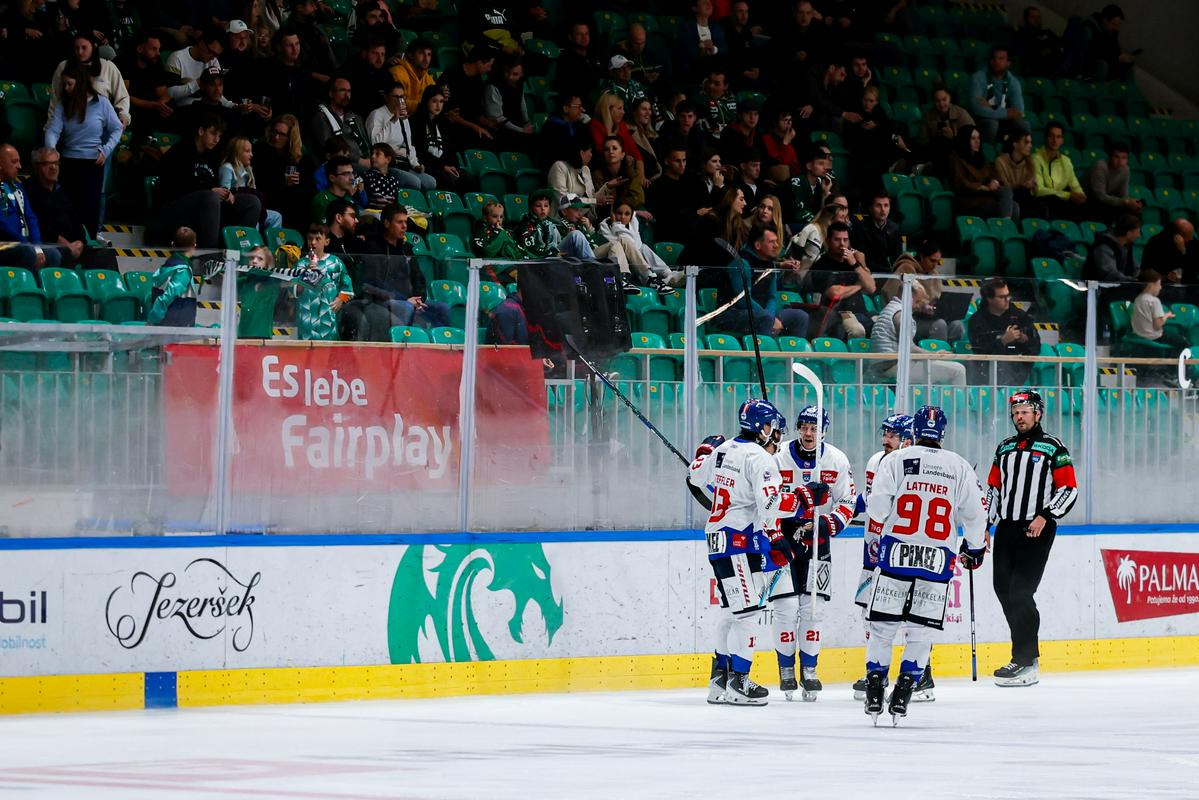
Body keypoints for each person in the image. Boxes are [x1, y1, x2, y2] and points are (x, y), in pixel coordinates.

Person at [687, 398, 826, 705]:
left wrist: (703, 453)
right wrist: (804, 497)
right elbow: (770, 505)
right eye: (773, 427)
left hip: (717, 538)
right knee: (748, 614)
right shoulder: (760, 459)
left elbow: (695, 475)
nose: (775, 433)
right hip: (739, 541)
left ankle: (719, 680)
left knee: (730, 611)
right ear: (763, 427)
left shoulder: (723, 450)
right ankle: (740, 681)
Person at [863, 405, 987, 724]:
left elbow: (876, 510)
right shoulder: (958, 465)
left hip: (896, 555)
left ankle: (875, 688)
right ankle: (904, 692)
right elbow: (975, 513)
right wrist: (974, 547)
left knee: (882, 628)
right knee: (920, 633)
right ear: (942, 434)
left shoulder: (894, 460)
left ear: (913, 431)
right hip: (937, 559)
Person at [986, 390, 1078, 687]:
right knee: (1003, 590)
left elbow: (1068, 489)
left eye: (1025, 411)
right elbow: (993, 490)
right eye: (1015, 413)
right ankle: (1023, 655)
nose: (1019, 417)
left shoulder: (1053, 447)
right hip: (1007, 528)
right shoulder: (1004, 448)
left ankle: (1025, 659)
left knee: (1021, 592)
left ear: (1038, 413)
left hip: (1036, 527)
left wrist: (1046, 515)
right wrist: (984, 527)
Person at [770, 404, 855, 700]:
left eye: (814, 427)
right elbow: (765, 497)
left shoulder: (837, 459)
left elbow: (848, 500)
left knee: (813, 609)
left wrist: (830, 524)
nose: (808, 432)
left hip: (819, 540)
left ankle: (809, 669)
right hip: (780, 538)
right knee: (785, 608)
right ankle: (785, 669)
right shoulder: (777, 456)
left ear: (824, 430)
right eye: (804, 426)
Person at [851, 415, 928, 703]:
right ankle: (876, 673)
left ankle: (922, 676)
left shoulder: (917, 466)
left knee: (913, 617)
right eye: (885, 432)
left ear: (908, 439)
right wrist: (840, 510)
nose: (886, 439)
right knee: (871, 614)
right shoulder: (876, 461)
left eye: (893, 435)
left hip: (902, 554)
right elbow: (868, 499)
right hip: (873, 551)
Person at [155, 113, 261, 248]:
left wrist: (226, 194)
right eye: (213, 134)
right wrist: (210, 191)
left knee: (251, 202)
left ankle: (237, 249)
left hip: (208, 206)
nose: (216, 139)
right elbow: (174, 187)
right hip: (174, 205)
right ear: (201, 131)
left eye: (219, 136)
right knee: (210, 197)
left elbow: (214, 186)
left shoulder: (212, 157)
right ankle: (210, 254)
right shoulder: (179, 152)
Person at [43, 63, 122, 239]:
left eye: (70, 84)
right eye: (64, 84)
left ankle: (88, 247)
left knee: (88, 211)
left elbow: (117, 128)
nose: (66, 88)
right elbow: (53, 129)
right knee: (67, 208)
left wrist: (106, 150)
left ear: (80, 83)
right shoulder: (64, 104)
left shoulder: (102, 103)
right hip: (68, 161)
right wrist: (51, 151)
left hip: (93, 162)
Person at [350, 203, 449, 339]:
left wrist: (419, 299)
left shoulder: (406, 249)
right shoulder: (374, 248)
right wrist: (405, 300)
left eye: (405, 222)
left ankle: (442, 352)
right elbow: (375, 283)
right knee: (406, 308)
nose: (404, 226)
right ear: (386, 223)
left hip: (409, 301)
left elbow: (419, 279)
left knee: (442, 308)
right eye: (399, 222)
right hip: (382, 301)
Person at [716, 226, 810, 337]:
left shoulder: (770, 265)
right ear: (758, 245)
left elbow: (772, 297)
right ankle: (765, 353)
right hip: (732, 314)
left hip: (762, 314)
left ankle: (795, 354)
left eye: (776, 241)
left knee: (801, 317)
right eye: (771, 242)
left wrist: (771, 316)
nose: (776, 246)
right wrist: (769, 318)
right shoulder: (741, 264)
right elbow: (743, 300)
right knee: (765, 319)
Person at [870, 282, 968, 386]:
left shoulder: (892, 308)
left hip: (887, 365)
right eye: (917, 301)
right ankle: (959, 402)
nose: (918, 306)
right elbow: (909, 348)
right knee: (958, 370)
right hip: (893, 367)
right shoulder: (901, 314)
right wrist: (934, 355)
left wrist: (932, 355)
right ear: (907, 296)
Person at [882, 238, 964, 342]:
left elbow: (938, 298)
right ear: (921, 256)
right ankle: (936, 356)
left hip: (931, 317)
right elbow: (894, 297)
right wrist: (921, 306)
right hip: (910, 319)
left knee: (957, 325)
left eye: (938, 262)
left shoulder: (934, 274)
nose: (935, 265)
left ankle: (950, 355)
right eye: (932, 260)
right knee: (940, 325)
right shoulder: (906, 269)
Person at [968, 277, 1042, 385]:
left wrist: (1025, 340)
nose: (1007, 299)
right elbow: (980, 351)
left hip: (1019, 368)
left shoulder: (1020, 316)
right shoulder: (977, 320)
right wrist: (1003, 341)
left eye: (1008, 295)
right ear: (989, 299)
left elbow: (1036, 346)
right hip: (988, 371)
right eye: (1002, 297)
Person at [0, 143, 63, 270]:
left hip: (23, 243)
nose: (19, 166)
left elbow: (31, 218)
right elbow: (2, 223)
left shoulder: (18, 188)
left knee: (53, 254)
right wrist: (27, 243)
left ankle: (40, 288)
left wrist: (37, 246)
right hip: (3, 243)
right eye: (14, 162)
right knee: (27, 252)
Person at [810, 221, 876, 339]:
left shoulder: (852, 262)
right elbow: (835, 293)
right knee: (857, 330)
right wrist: (859, 285)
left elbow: (871, 288)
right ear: (828, 240)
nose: (842, 244)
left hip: (862, 312)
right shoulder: (821, 265)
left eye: (845, 240)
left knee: (883, 327)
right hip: (839, 313)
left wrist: (856, 264)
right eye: (837, 240)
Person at [23, 147, 85, 266]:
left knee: (105, 255)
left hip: (72, 245)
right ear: (36, 167)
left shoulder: (64, 191)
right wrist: (65, 244)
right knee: (59, 254)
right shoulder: (27, 190)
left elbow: (76, 221)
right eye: (47, 164)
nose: (53, 167)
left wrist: (80, 242)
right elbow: (38, 225)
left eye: (56, 163)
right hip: (48, 244)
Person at [598, 201, 675, 295]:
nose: (623, 217)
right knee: (624, 240)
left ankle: (660, 275)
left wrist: (619, 226)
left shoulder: (633, 223)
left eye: (627, 214)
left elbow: (635, 245)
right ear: (613, 213)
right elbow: (619, 243)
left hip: (633, 263)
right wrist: (615, 224)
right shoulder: (604, 226)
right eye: (619, 213)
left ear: (631, 216)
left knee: (643, 247)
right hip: (610, 263)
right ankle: (646, 278)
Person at [366, 88, 436, 191]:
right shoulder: (377, 114)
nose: (400, 100)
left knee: (431, 182)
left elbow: (409, 145)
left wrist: (415, 164)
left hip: (404, 163)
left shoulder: (403, 118)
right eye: (396, 97)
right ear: (386, 97)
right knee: (415, 183)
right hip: (388, 165)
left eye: (402, 97)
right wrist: (393, 120)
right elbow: (376, 143)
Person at [295, 222, 354, 341]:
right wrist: (306, 274)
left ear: (326, 241)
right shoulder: (301, 264)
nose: (313, 242)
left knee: (327, 354)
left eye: (317, 239)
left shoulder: (335, 263)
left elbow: (347, 287)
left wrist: (340, 300)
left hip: (328, 318)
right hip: (306, 318)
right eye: (310, 239)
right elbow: (293, 291)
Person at [254, 114, 310, 228]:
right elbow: (259, 180)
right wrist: (282, 181)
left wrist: (298, 181)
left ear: (290, 137)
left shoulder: (300, 157)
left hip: (291, 204)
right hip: (268, 200)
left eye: (282, 134)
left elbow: (309, 186)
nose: (276, 137)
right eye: (275, 132)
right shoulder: (261, 150)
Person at [950, 125, 1016, 219]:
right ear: (965, 140)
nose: (977, 142)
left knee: (1011, 199)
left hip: (985, 195)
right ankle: (1006, 228)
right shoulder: (956, 158)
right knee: (1006, 206)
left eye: (978, 138)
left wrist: (994, 181)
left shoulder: (980, 157)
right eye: (973, 138)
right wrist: (980, 187)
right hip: (969, 199)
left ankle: (1007, 229)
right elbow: (960, 183)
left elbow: (992, 173)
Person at [968, 44, 1026, 142]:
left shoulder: (1014, 82)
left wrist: (989, 107)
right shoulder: (978, 77)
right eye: (994, 58)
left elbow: (1018, 112)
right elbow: (975, 108)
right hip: (980, 120)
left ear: (1008, 63)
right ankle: (985, 152)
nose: (996, 61)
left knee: (1023, 125)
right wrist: (1006, 113)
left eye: (1001, 58)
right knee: (992, 124)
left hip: (1003, 122)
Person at [409, 85, 462, 191]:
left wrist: (452, 166)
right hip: (425, 166)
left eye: (441, 101)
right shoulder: (415, 121)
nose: (438, 106)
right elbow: (419, 151)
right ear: (426, 101)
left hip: (443, 166)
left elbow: (450, 150)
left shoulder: (443, 123)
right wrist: (443, 167)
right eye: (434, 101)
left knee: (465, 178)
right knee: (445, 179)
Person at [310, 77, 372, 167]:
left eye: (349, 91)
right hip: (342, 165)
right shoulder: (321, 117)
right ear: (331, 93)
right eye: (342, 91)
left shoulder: (355, 117)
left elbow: (366, 143)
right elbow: (329, 148)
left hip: (366, 161)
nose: (347, 95)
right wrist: (359, 160)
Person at [480, 54, 535, 153]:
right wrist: (522, 131)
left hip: (516, 128)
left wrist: (527, 123)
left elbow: (522, 107)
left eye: (515, 74)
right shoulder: (493, 86)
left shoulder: (519, 85)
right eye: (507, 72)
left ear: (522, 74)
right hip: (499, 131)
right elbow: (498, 119)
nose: (510, 77)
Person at [1034, 121, 1087, 221]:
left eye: (1058, 137)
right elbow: (1039, 190)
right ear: (1046, 138)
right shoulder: (1036, 159)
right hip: (1043, 201)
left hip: (1061, 201)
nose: (1055, 140)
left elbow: (1075, 185)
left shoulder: (1066, 161)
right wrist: (1068, 195)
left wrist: (1081, 196)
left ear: (1062, 140)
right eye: (1051, 136)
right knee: (1054, 200)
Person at [917, 87, 974, 179]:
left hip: (959, 152)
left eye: (944, 99)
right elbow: (922, 141)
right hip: (935, 151)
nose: (941, 104)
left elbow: (972, 138)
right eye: (937, 101)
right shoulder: (928, 116)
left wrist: (953, 137)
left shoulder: (961, 113)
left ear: (949, 98)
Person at [147, 227, 198, 326]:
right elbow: (167, 297)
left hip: (166, 323)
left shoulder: (168, 266)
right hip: (175, 325)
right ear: (193, 246)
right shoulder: (182, 271)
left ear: (172, 244)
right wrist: (152, 321)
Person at [1131, 269, 1188, 359]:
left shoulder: (1138, 299)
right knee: (1183, 341)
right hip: (1153, 336)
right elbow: (1157, 325)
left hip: (1139, 334)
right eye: (1159, 284)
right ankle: (1173, 368)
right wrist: (1166, 316)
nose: (1160, 287)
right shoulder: (1154, 301)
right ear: (1151, 285)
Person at [164, 26, 225, 108]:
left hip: (208, 109)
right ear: (202, 43)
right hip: (184, 110)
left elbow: (218, 95)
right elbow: (169, 93)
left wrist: (234, 105)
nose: (213, 57)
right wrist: (198, 83)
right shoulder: (177, 58)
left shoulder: (213, 61)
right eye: (211, 52)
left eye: (217, 54)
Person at [1085, 143, 1143, 224]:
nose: (1120, 161)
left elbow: (1123, 194)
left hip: (1108, 201)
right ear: (1110, 157)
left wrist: (1131, 203)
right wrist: (1125, 202)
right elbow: (1100, 196)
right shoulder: (1100, 167)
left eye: (1124, 158)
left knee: (1134, 210)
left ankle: (1132, 234)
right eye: (1116, 157)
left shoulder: (1126, 169)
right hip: (1089, 200)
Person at [995, 130, 1046, 221]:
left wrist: (1032, 185)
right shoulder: (1001, 161)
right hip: (1011, 198)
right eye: (1026, 142)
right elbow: (1004, 187)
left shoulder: (1030, 162)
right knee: (1022, 193)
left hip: (1025, 197)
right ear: (1015, 144)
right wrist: (1021, 185)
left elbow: (1035, 189)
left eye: (1030, 142)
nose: (1030, 145)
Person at [591, 136, 645, 219]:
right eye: (607, 149)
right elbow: (602, 202)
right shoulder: (597, 175)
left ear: (622, 154)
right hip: (606, 214)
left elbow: (639, 198)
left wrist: (620, 204)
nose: (610, 152)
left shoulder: (632, 173)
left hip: (630, 210)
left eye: (614, 148)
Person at [850, 192, 901, 273]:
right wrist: (890, 271)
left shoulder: (894, 228)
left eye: (886, 205)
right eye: (878, 205)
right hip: (868, 272)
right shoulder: (860, 228)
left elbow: (898, 257)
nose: (883, 209)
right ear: (870, 208)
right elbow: (865, 261)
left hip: (889, 273)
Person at [677, 0, 727, 82]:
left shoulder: (716, 26)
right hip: (693, 65)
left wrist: (713, 49)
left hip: (715, 65)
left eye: (710, 2)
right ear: (695, 8)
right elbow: (686, 50)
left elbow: (724, 49)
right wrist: (701, 48)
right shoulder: (686, 26)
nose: (709, 4)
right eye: (704, 2)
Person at [390, 38, 436, 111]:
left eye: (429, 54)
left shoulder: (429, 80)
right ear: (410, 55)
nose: (426, 58)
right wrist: (424, 105)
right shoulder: (398, 73)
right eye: (421, 53)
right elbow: (398, 102)